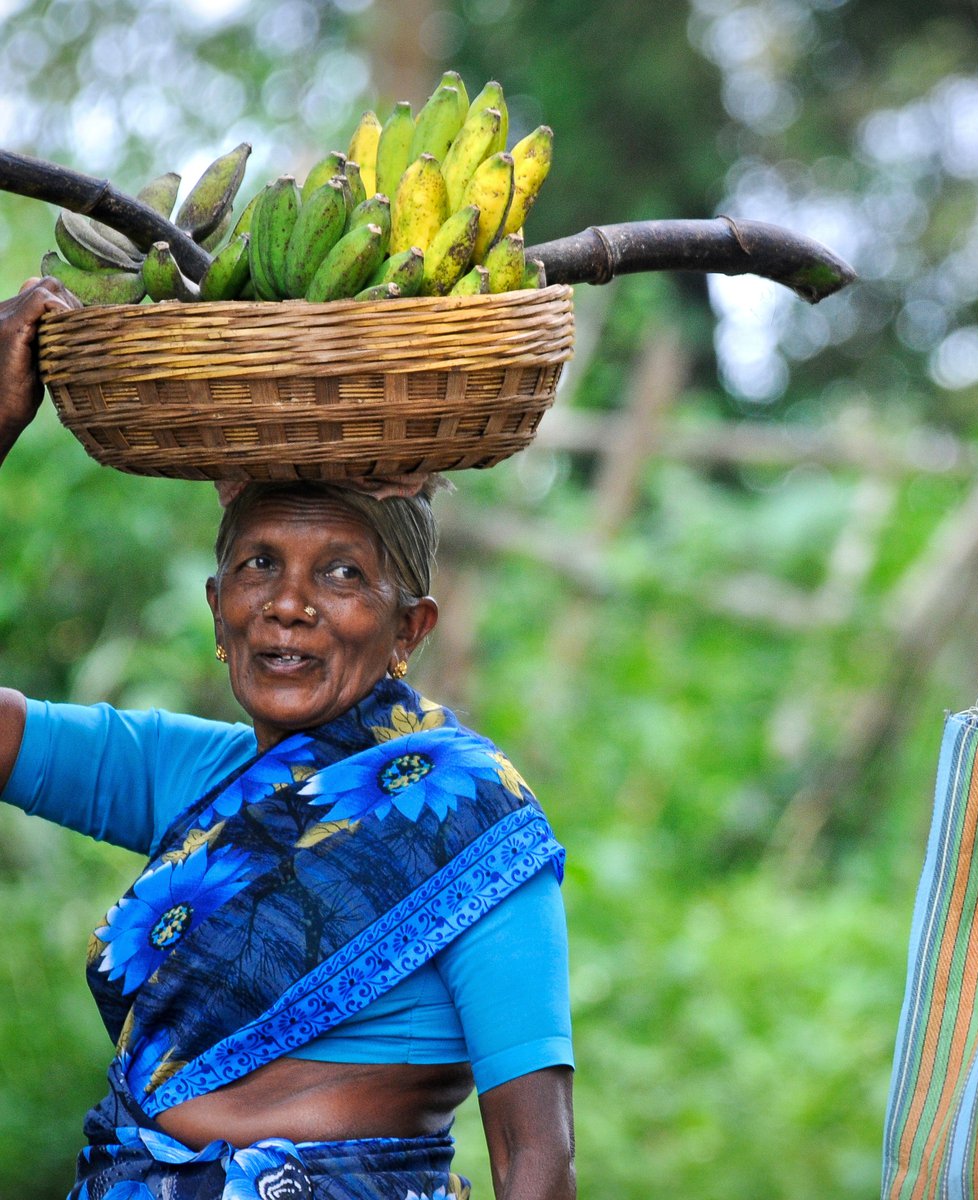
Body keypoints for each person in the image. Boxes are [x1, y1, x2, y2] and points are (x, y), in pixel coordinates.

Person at [0, 279, 576, 1199]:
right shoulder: (181, 773)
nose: (290, 604)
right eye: (258, 563)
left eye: (342, 573)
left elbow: (535, 1160)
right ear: (218, 610)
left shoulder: (473, 822)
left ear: (409, 629)